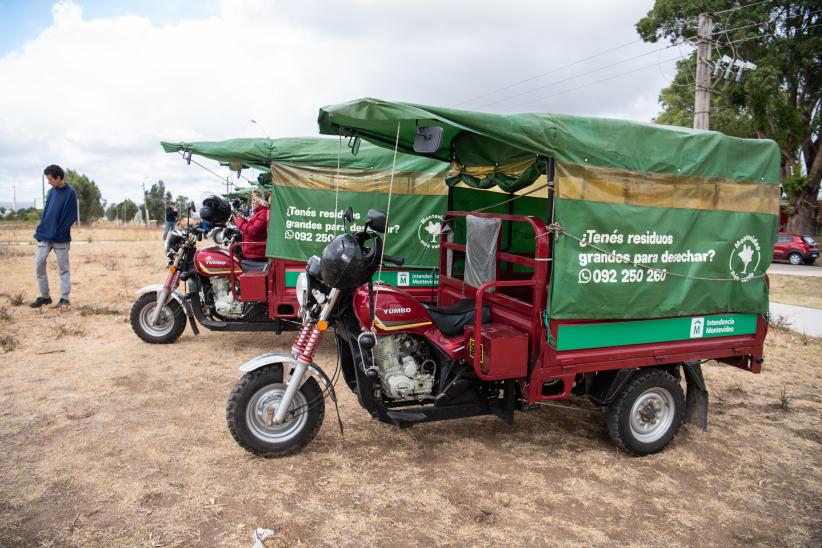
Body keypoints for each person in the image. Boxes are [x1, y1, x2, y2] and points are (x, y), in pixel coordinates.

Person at [30, 164, 78, 309]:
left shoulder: (71, 193)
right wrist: (41, 229)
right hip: (45, 235)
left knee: (63, 268)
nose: (49, 182)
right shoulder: (51, 192)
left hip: (61, 237)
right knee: (39, 263)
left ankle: (64, 299)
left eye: (50, 179)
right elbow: (47, 212)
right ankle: (45, 297)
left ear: (58, 178)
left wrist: (60, 231)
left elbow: (71, 216)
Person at [233, 189, 269, 260]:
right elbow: (253, 226)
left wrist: (239, 222)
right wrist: (241, 220)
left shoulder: (263, 214)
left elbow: (253, 230)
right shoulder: (260, 213)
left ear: (261, 201)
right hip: (255, 252)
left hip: (257, 254)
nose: (251, 202)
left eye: (254, 199)